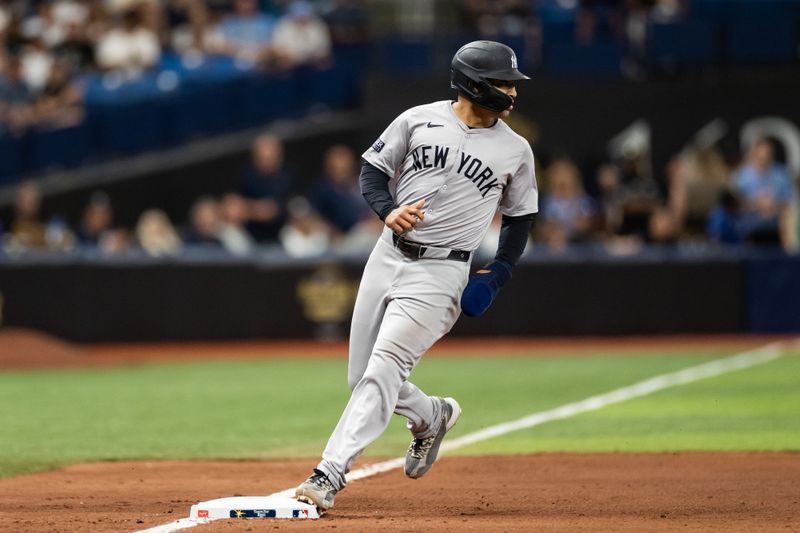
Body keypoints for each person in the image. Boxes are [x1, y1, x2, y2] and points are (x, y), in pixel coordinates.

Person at [294, 40, 538, 513]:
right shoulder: (418, 118)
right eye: (504, 83)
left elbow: (521, 218)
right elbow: (372, 171)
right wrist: (387, 211)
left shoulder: (516, 149)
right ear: (474, 84)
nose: (513, 92)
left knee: (384, 368)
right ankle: (432, 415)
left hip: (442, 271)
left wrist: (499, 271)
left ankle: (328, 472)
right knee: (361, 377)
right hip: (387, 255)